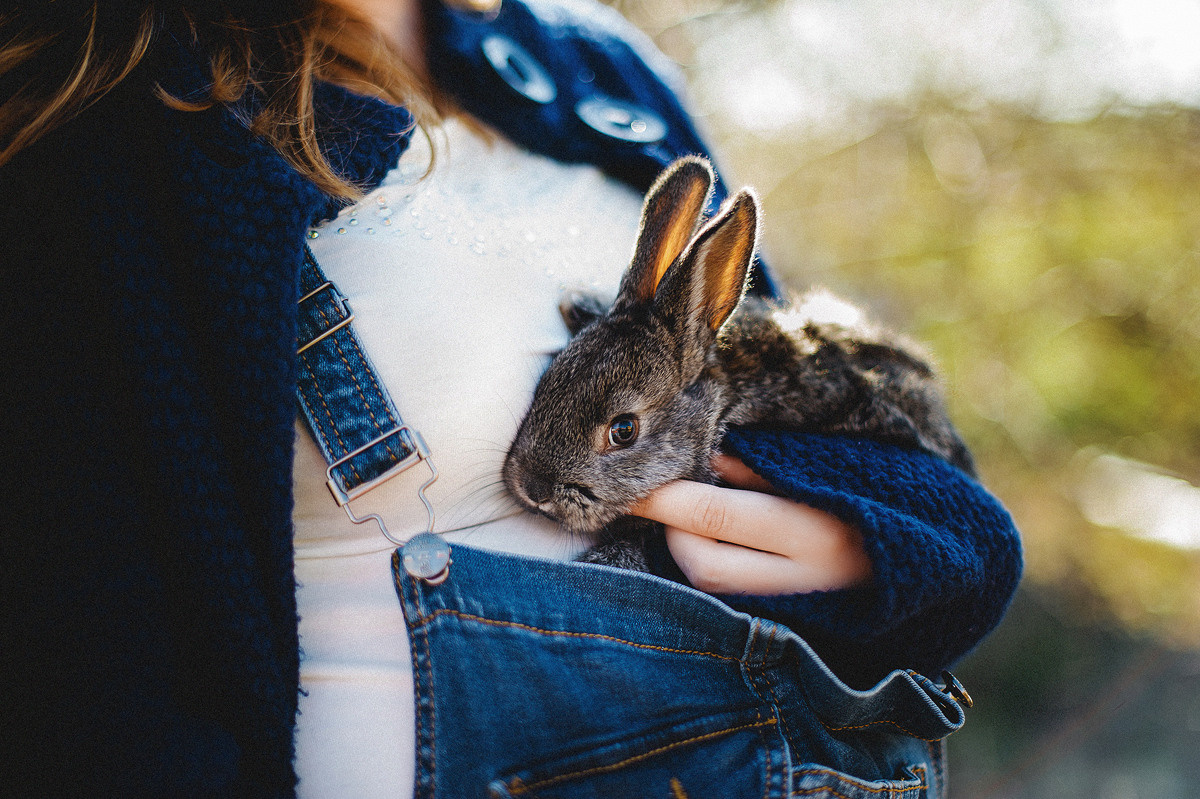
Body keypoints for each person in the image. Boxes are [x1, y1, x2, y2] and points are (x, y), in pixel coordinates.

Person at [0, 0, 1022, 796]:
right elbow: (89, 672)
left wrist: (879, 550)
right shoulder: (102, 109)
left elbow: (817, 393)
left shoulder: (599, 71)